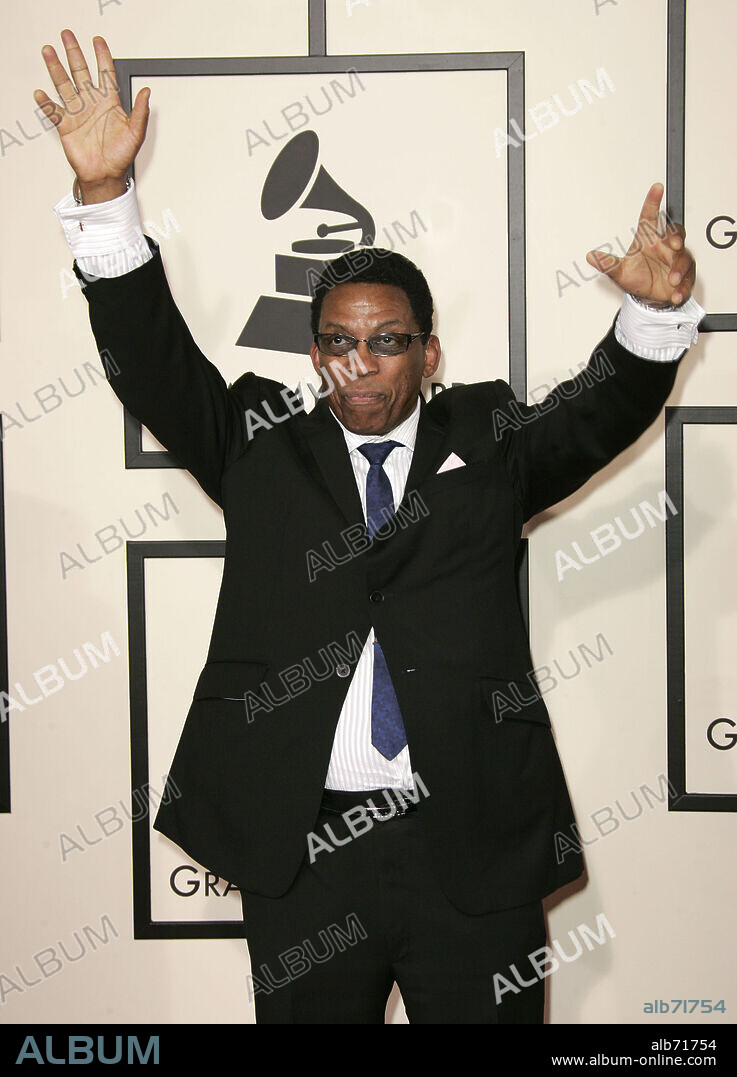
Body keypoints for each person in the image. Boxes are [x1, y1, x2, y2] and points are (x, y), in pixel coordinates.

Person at [37, 30, 704, 1024]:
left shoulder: (491, 442)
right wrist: (104, 203)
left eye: (387, 342)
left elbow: (598, 415)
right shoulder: (258, 444)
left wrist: (652, 323)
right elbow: (153, 362)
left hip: (470, 848)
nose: (363, 364)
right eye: (341, 344)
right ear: (314, 356)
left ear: (427, 354)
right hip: (305, 853)